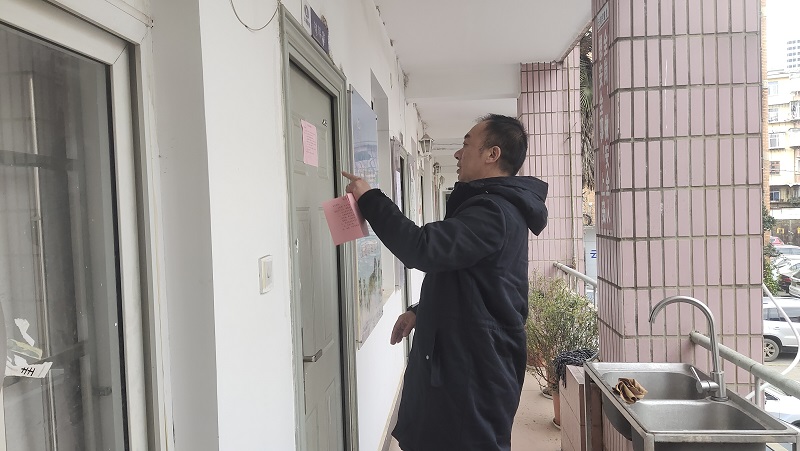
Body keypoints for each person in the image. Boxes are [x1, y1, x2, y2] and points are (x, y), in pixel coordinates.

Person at [342, 114, 548, 451]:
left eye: (466, 144)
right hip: (464, 363)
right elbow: (469, 280)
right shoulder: (490, 208)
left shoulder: (493, 212)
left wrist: (370, 199)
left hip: (474, 374)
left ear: (492, 154)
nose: (457, 153)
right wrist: (420, 311)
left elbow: (422, 248)